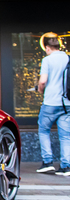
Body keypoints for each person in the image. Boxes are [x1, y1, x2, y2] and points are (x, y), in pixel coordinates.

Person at [36, 33, 70, 175]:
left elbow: (43, 80)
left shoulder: (47, 60)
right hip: (66, 103)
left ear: (48, 48)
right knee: (65, 135)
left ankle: (47, 162)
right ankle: (66, 167)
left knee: (44, 130)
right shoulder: (68, 58)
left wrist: (39, 88)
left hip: (50, 102)